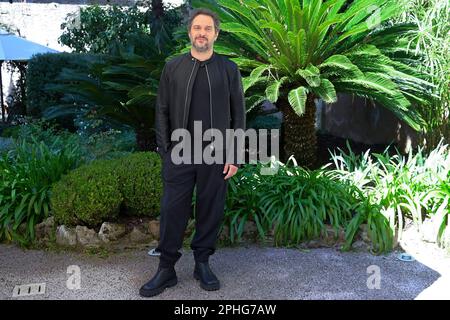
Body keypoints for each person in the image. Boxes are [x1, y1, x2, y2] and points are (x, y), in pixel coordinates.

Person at [139, 8, 246, 297]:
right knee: (172, 210)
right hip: (180, 151)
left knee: (211, 209)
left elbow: (239, 115)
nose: (202, 32)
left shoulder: (228, 69)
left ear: (216, 34)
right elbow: (161, 110)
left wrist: (234, 155)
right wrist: (165, 151)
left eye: (207, 28)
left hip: (216, 152)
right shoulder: (173, 67)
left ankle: (202, 263)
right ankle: (166, 269)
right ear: (190, 32)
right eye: (197, 27)